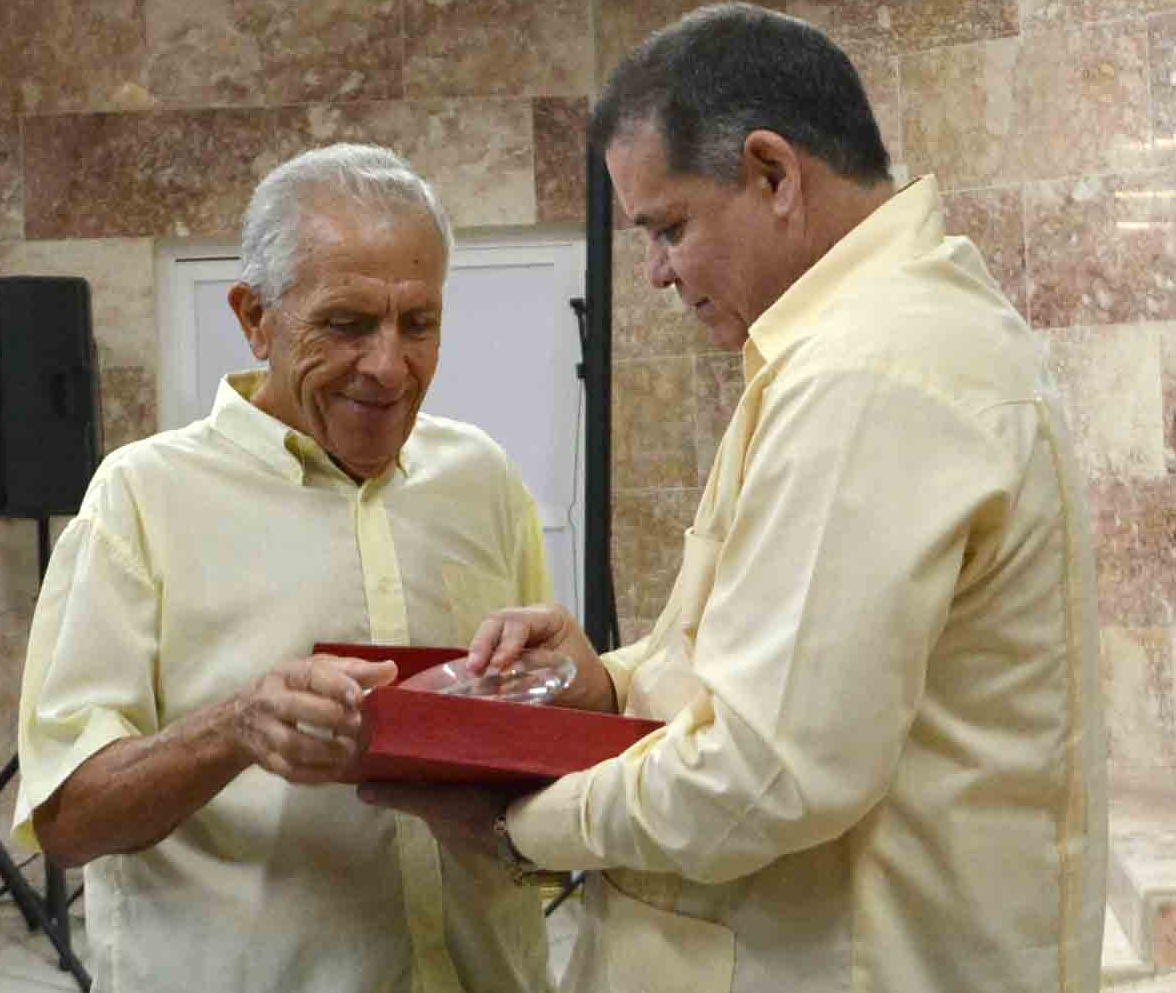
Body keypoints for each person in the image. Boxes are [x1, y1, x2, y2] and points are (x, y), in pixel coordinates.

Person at [362, 6, 1108, 993]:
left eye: (669, 227)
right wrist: (610, 688)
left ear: (773, 173)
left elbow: (764, 774)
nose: (660, 272)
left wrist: (517, 820)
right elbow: (765, 675)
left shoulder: (870, 372)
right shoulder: (872, 340)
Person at [13, 143, 555, 993]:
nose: (389, 366)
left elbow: (532, 724)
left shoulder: (480, 477)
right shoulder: (142, 499)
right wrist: (236, 726)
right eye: (346, 324)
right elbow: (68, 819)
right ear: (254, 316)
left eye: (419, 323)